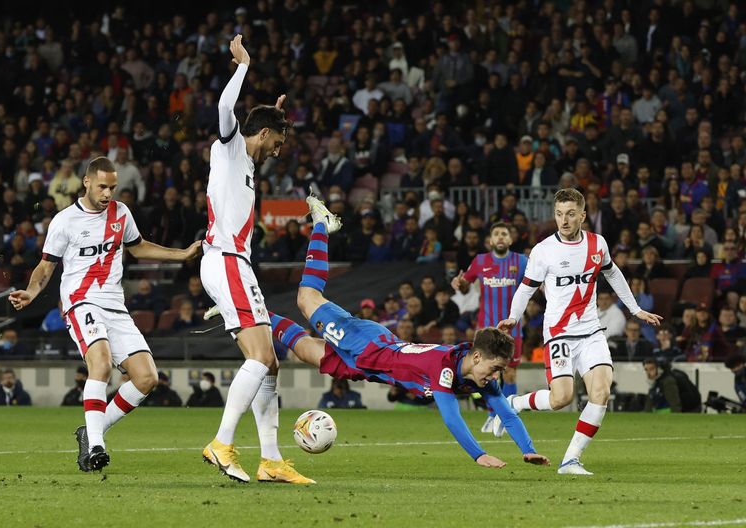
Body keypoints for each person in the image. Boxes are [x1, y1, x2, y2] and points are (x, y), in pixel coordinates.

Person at [266, 195, 550, 469]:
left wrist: (528, 450)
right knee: (307, 299)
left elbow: (507, 414)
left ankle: (259, 316)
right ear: (477, 357)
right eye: (495, 368)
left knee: (304, 351)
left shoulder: (480, 377)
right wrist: (479, 455)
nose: (495, 376)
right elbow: (452, 418)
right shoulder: (445, 367)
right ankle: (321, 224)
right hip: (366, 344)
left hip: (369, 368)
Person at [8, 155, 201, 472]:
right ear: (86, 182)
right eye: (102, 187)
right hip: (81, 302)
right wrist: (31, 291)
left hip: (115, 305)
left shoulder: (121, 213)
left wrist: (181, 254)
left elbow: (138, 246)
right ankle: (95, 447)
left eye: (112, 187)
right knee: (100, 364)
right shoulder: (65, 221)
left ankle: (90, 431)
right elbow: (46, 266)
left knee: (147, 378)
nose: (108, 193)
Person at [198, 35, 315, 485]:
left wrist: (273, 114)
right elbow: (226, 109)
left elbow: (255, 125)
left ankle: (271, 460)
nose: (278, 151)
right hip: (226, 260)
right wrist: (243, 66)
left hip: (234, 263)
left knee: (270, 363)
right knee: (262, 356)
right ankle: (222, 443)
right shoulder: (228, 148)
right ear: (262, 135)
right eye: (276, 142)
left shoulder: (246, 164)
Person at [498, 188, 662, 475]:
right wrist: (513, 317)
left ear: (582, 216)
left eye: (571, 214)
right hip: (559, 332)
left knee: (601, 391)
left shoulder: (598, 244)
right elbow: (526, 288)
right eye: (559, 214)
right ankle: (515, 403)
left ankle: (570, 460)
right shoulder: (544, 250)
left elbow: (613, 273)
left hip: (591, 331)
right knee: (561, 399)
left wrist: (635, 309)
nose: (564, 220)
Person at [451, 222, 527, 434]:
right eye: (496, 234)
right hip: (486, 330)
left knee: (509, 373)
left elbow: (536, 284)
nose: (500, 237)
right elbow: (465, 284)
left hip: (513, 329)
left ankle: (507, 418)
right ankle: (493, 414)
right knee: (485, 373)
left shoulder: (522, 261)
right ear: (490, 240)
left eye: (504, 233)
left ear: (510, 239)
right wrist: (459, 283)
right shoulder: (480, 261)